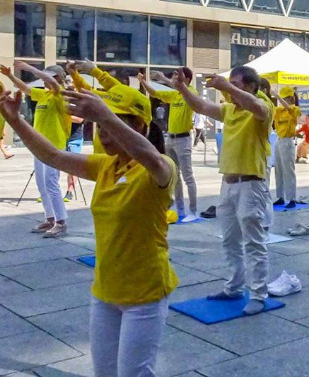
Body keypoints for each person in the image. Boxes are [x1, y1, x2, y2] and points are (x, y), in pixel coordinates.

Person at [0, 76, 177, 377]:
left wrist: (103, 115)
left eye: (111, 126)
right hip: (105, 290)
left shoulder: (158, 169)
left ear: (139, 127)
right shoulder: (106, 166)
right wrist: (16, 121)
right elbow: (53, 155)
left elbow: (152, 160)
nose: (103, 136)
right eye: (100, 128)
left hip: (145, 294)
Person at [174, 67, 274, 315]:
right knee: (230, 240)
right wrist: (182, 88)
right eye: (229, 84)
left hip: (251, 183)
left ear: (251, 86)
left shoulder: (262, 104)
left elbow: (258, 109)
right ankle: (234, 287)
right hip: (228, 183)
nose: (229, 89)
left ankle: (259, 293)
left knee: (253, 241)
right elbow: (201, 107)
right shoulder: (230, 109)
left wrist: (226, 87)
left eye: (236, 84)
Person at [2, 61, 70, 237]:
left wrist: (30, 68)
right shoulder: (44, 95)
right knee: (42, 184)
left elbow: (55, 85)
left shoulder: (60, 94)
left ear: (54, 78)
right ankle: (50, 218)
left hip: (54, 146)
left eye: (47, 76)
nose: (42, 79)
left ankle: (61, 221)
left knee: (51, 183)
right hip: (39, 146)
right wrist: (10, 75)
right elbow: (25, 89)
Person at [139, 69, 199, 222]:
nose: (175, 79)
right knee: (175, 176)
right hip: (171, 138)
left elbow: (182, 89)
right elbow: (154, 93)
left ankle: (193, 211)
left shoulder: (191, 93)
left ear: (187, 79)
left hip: (183, 139)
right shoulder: (175, 95)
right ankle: (180, 210)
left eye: (178, 76)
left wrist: (164, 79)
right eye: (174, 76)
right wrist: (143, 82)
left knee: (188, 176)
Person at [273, 86, 300, 207]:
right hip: (278, 140)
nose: (281, 101)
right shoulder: (279, 110)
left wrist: (277, 96)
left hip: (288, 141)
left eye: (284, 98)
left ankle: (292, 198)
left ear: (291, 98)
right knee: (278, 170)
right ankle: (281, 196)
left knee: (288, 170)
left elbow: (289, 108)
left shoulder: (294, 110)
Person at [65, 114, 85, 201]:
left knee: (73, 167)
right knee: (52, 167)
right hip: (59, 137)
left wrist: (62, 116)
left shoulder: (77, 105)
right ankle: (49, 191)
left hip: (74, 139)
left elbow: (80, 119)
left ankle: (70, 191)